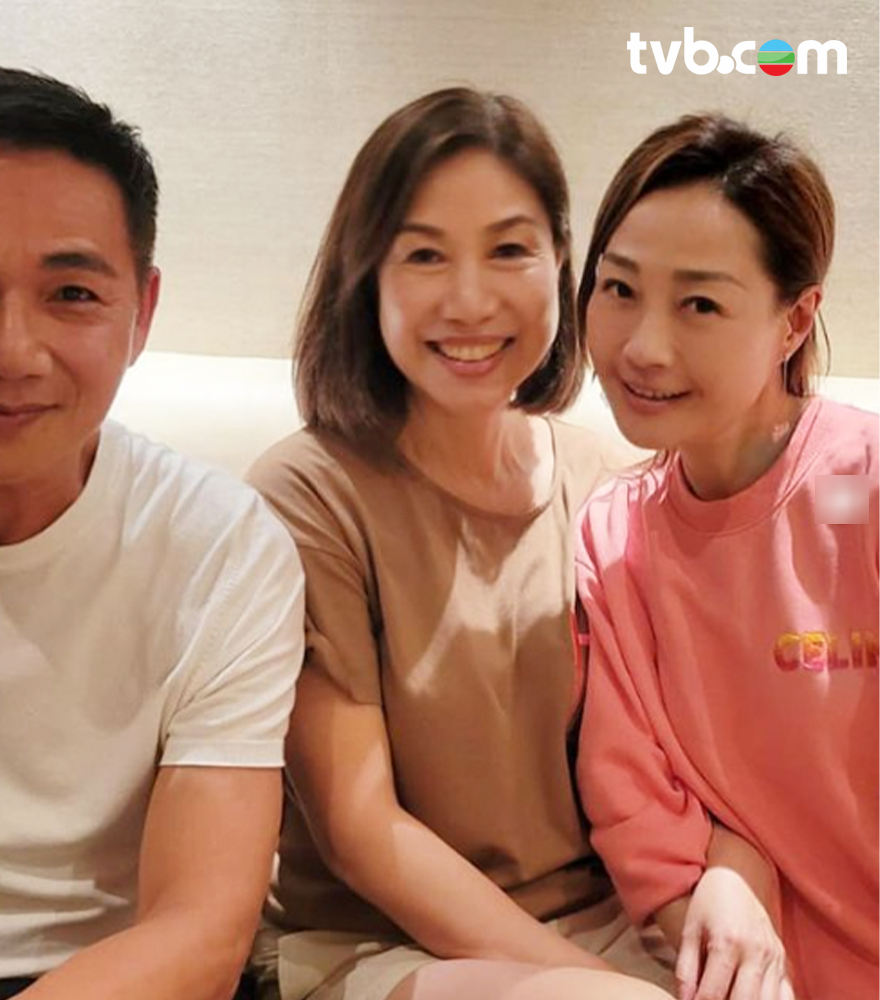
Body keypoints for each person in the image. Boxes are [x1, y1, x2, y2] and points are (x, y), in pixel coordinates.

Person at [0, 66, 304, 999]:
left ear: (141, 314)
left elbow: (202, 931)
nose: (11, 352)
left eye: (70, 294)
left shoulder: (217, 550)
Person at [247, 87, 676, 1000]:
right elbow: (362, 833)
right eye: (424, 255)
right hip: (382, 945)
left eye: (510, 249)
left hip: (611, 923)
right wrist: (606, 985)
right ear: (366, 275)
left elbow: (686, 766)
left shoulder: (607, 482)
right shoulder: (309, 496)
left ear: (561, 262)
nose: (471, 300)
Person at [575, 112, 880, 1000]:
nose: (643, 347)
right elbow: (631, 799)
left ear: (794, 321)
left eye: (700, 304)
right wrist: (718, 870)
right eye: (619, 288)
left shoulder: (860, 491)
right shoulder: (614, 537)